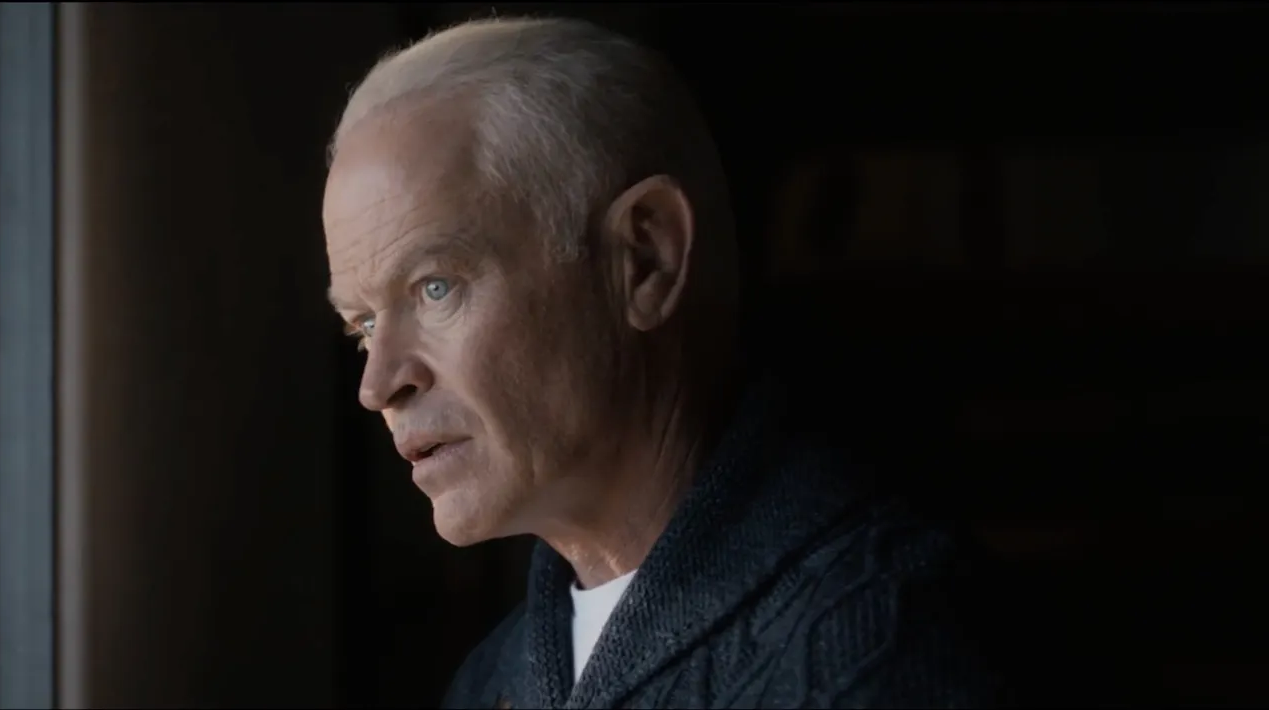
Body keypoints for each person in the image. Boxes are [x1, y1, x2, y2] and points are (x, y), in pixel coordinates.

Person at [321, 16, 1010, 709]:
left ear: (643, 260)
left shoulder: (877, 649)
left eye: (436, 288)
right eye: (364, 325)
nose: (378, 385)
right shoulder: (487, 684)